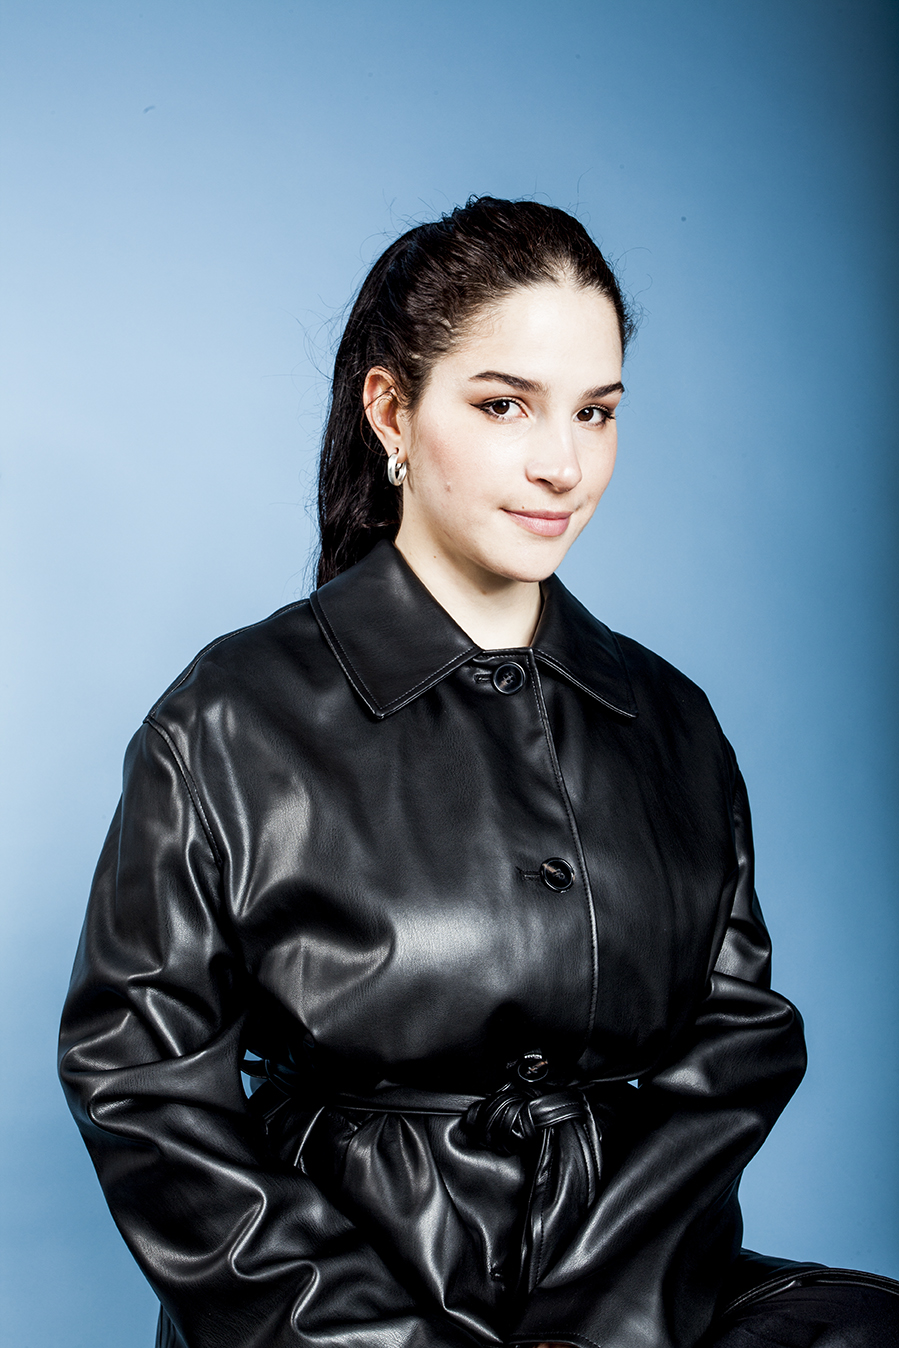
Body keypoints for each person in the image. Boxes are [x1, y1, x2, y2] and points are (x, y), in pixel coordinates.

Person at [59, 197, 898, 1348]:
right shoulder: (228, 718)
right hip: (336, 1309)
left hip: (631, 1290)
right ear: (390, 412)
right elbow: (140, 1082)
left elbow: (736, 1039)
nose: (562, 464)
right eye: (504, 405)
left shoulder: (669, 718)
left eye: (595, 412)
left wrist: (596, 1319)